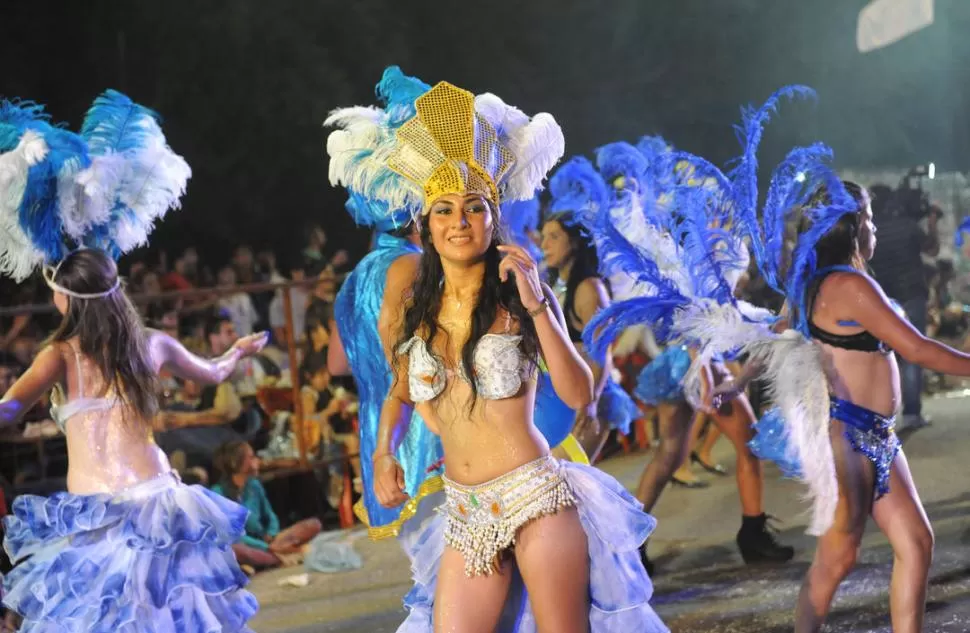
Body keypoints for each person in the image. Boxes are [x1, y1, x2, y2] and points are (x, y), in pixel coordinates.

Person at [357, 73, 666, 632]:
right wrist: (385, 453)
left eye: (473, 207)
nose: (459, 222)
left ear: (493, 215)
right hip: (465, 512)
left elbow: (576, 393)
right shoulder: (417, 312)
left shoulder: (521, 297)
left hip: (536, 498)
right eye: (444, 209)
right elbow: (401, 389)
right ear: (425, 225)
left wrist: (541, 304)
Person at [0, 91, 258, 631]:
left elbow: (6, 413)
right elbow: (213, 372)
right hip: (162, 505)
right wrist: (236, 351)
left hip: (103, 518)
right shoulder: (154, 343)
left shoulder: (59, 355)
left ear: (66, 297)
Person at [715, 179, 970, 633]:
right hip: (849, 438)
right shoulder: (849, 286)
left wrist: (739, 381)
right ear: (851, 227)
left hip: (877, 434)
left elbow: (779, 328)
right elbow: (918, 350)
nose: (874, 227)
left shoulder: (817, 283)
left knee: (915, 541)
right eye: (869, 218)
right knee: (838, 557)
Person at [541, 156, 640, 462]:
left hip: (590, 398)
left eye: (554, 237)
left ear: (574, 242)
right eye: (544, 237)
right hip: (564, 396)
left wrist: (591, 402)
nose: (545, 245)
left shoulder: (588, 289)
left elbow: (602, 352)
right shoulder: (559, 284)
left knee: (575, 488)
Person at [212, 440, 322, 570]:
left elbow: (270, 516)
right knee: (234, 550)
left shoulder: (253, 485)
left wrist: (272, 534)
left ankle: (275, 556)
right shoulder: (218, 494)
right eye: (251, 457)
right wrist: (267, 547)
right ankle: (280, 557)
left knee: (314, 524)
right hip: (246, 544)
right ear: (236, 464)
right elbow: (234, 536)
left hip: (268, 542)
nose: (257, 460)